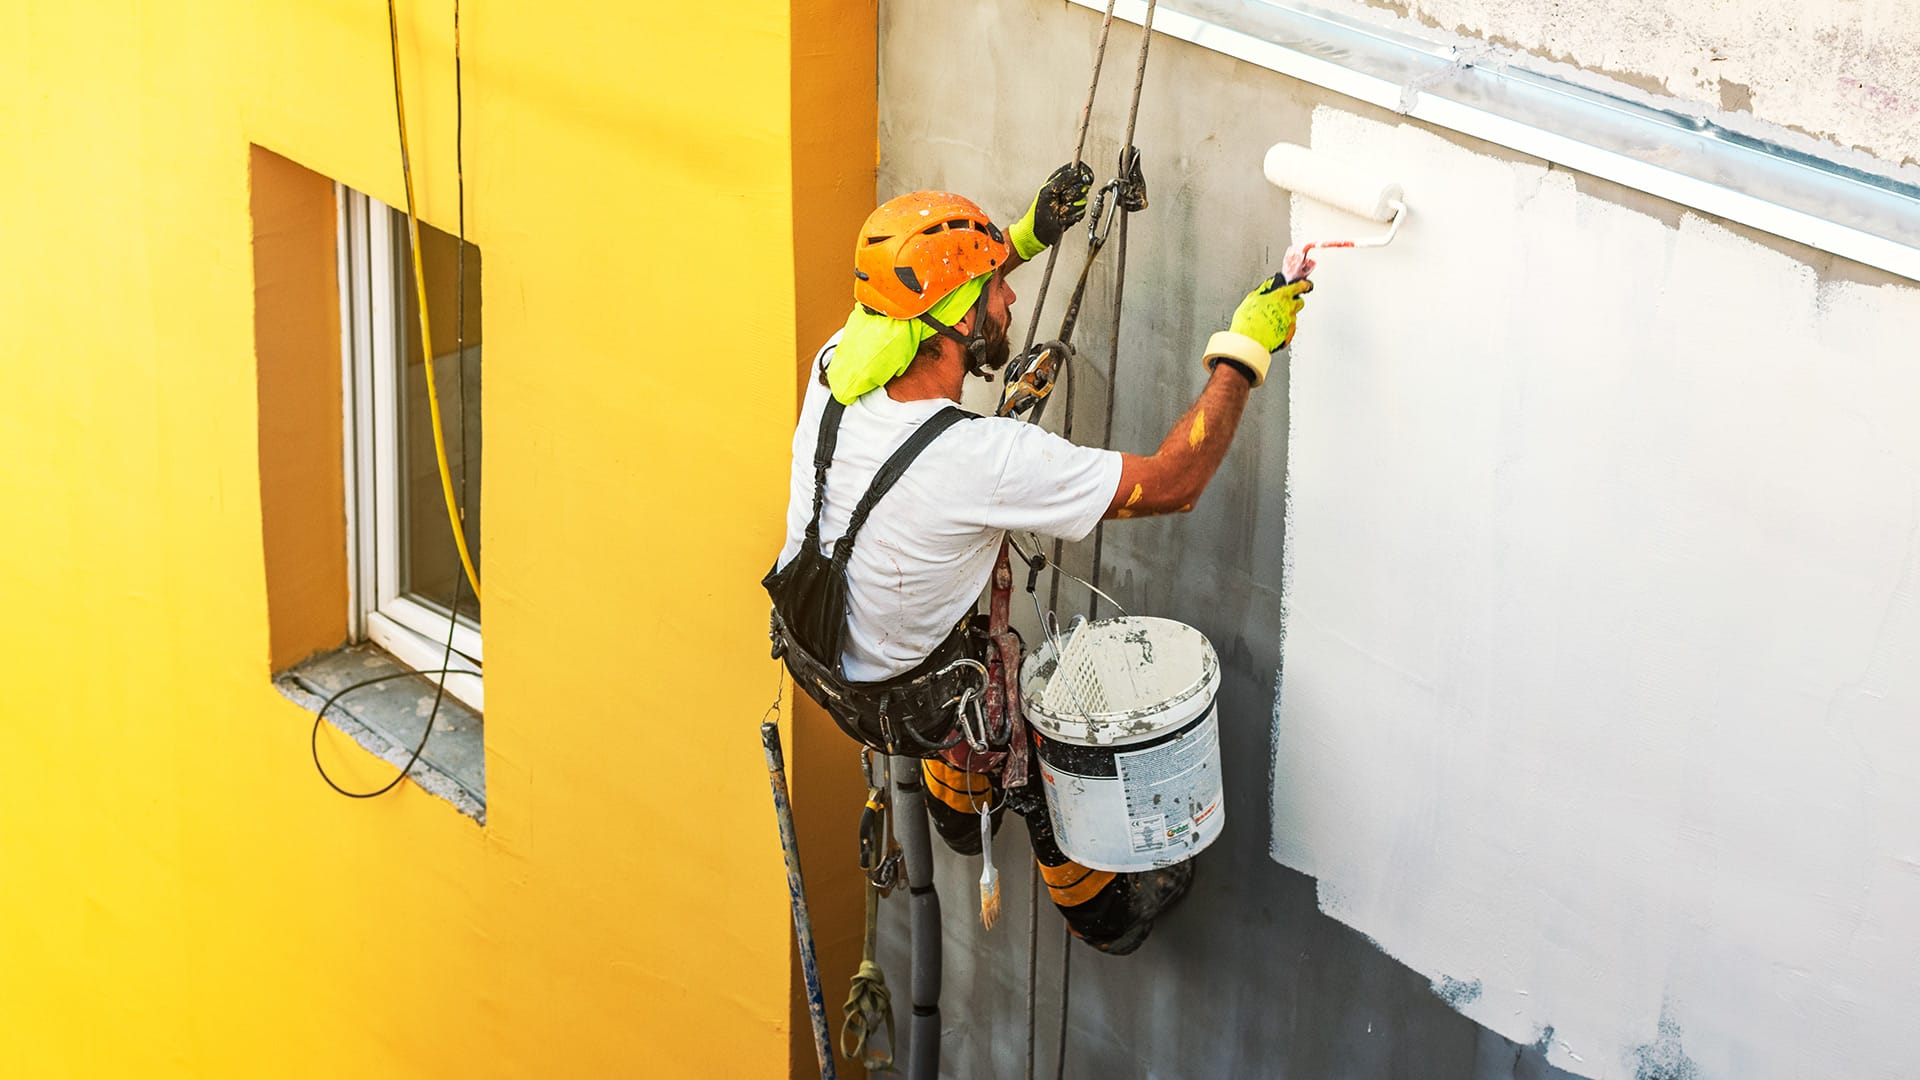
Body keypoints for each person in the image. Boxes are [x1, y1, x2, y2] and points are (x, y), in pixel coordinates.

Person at [765, 165, 1312, 954]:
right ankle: (1099, 906)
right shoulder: (984, 459)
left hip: (821, 655)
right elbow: (1175, 482)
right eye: (995, 290)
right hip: (908, 692)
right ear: (952, 323)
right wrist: (1245, 346)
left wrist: (1025, 236)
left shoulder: (836, 363)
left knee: (960, 645)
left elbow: (930, 301)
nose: (1011, 301)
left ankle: (956, 811)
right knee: (1043, 727)